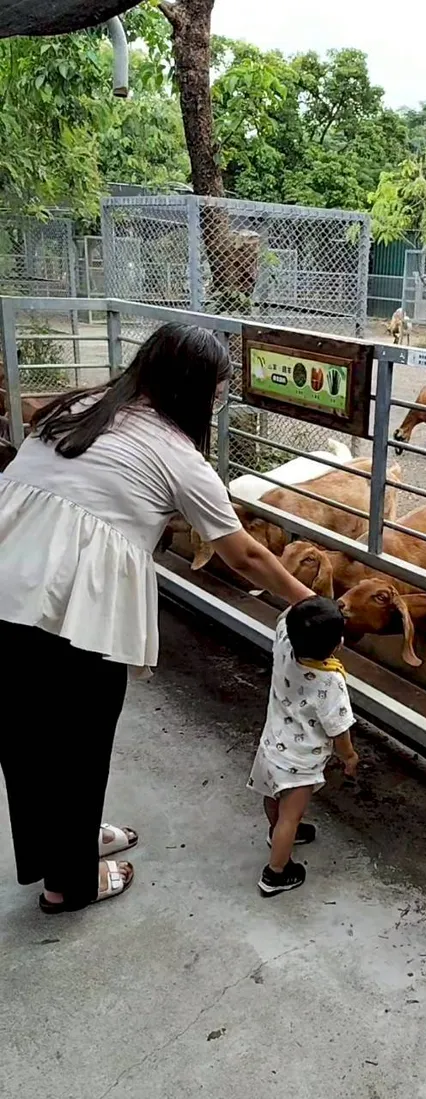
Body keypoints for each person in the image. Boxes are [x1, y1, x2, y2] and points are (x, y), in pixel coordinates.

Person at [0, 322, 313, 914]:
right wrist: (309, 602)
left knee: (27, 737)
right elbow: (242, 551)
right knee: (76, 740)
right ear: (193, 389)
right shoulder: (176, 452)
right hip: (70, 610)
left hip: (6, 576)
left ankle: (67, 844)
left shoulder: (78, 406)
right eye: (218, 392)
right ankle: (69, 883)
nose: (219, 404)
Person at [249, 596, 358, 896]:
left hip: (271, 747)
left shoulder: (284, 642)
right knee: (290, 816)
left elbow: (287, 615)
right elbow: (338, 728)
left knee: (273, 800)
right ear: (337, 645)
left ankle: (278, 834)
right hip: (299, 764)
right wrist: (348, 756)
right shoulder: (330, 682)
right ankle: (276, 873)